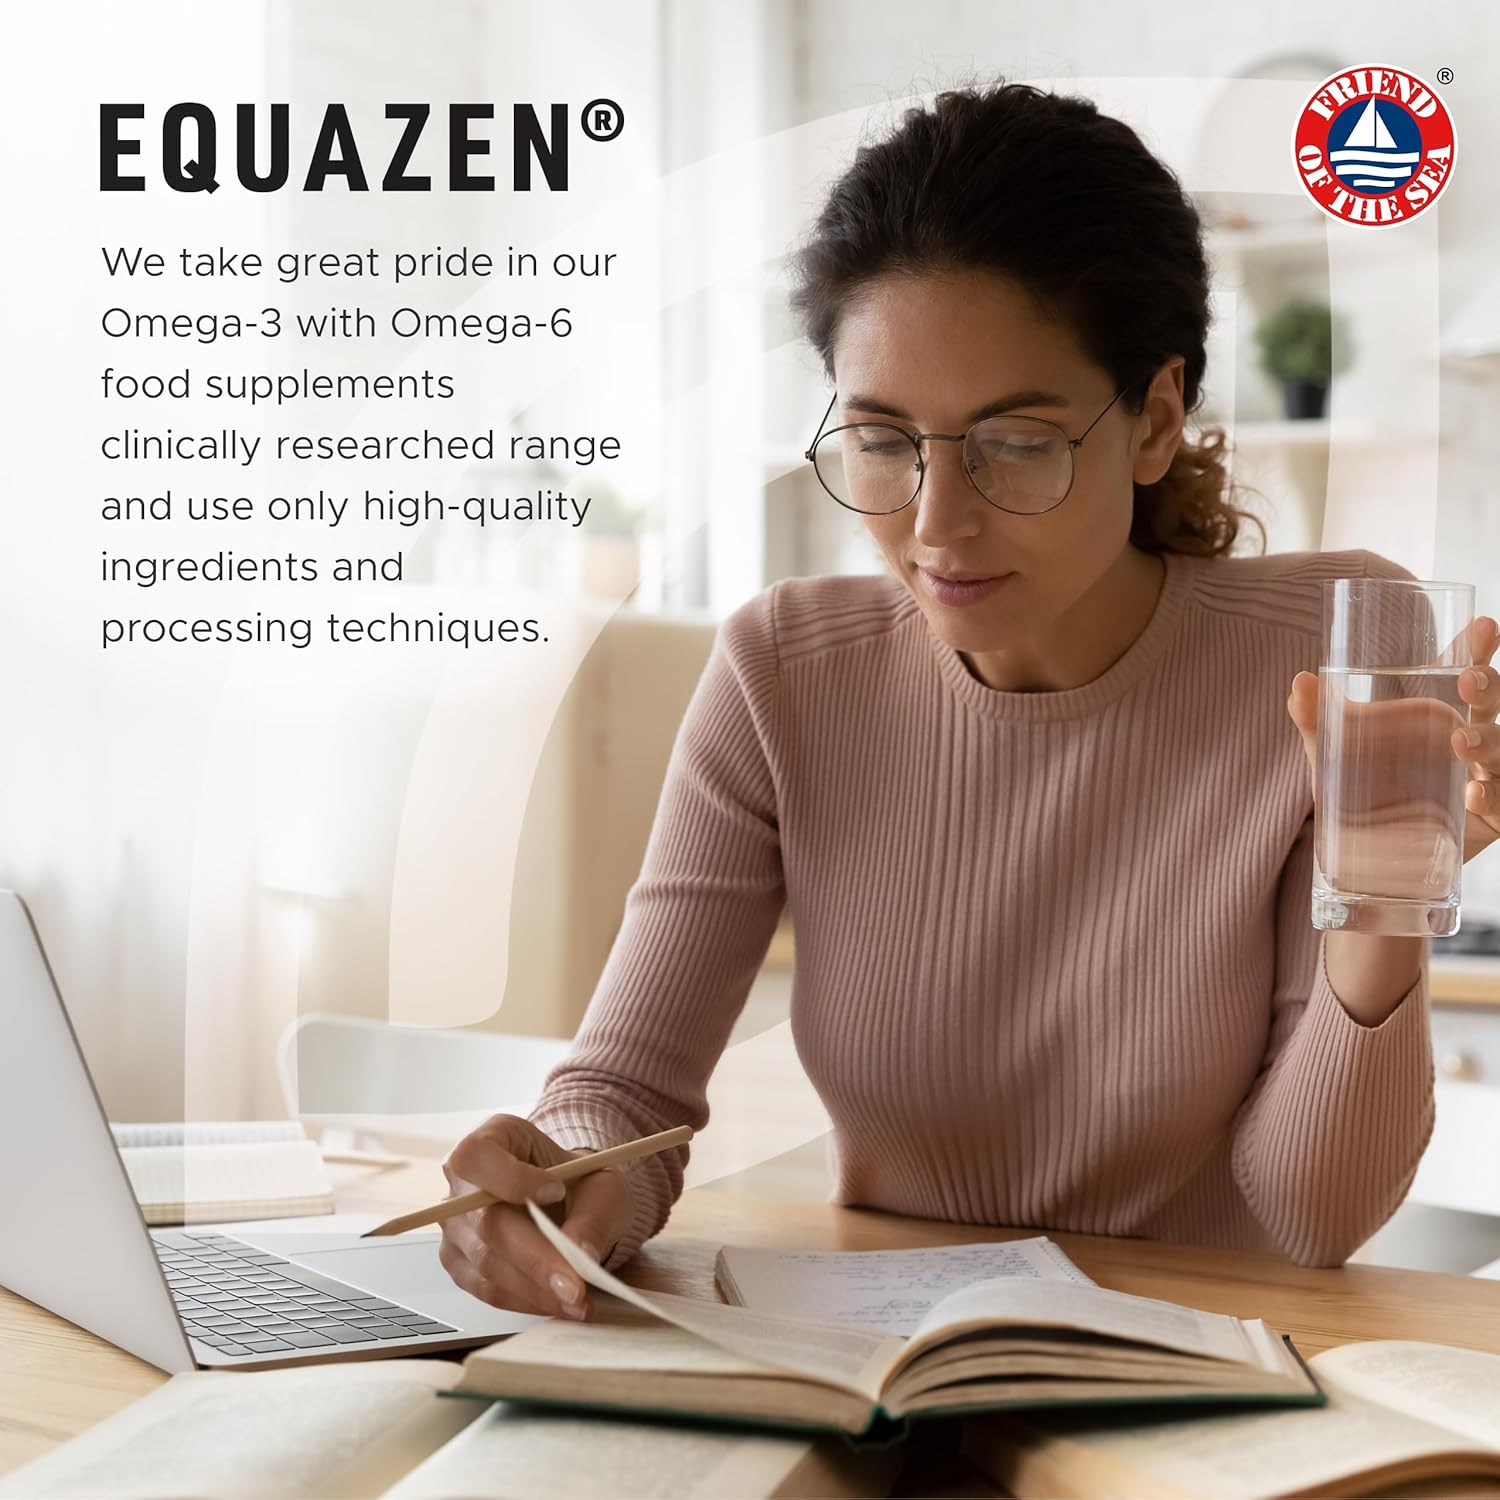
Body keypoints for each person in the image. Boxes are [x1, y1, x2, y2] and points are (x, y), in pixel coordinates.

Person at [436, 79, 1500, 1322]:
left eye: (1017, 442)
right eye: (885, 440)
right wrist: (563, 1183)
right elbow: (624, 1095)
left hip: (1215, 1368)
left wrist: (1380, 903)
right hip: (879, 1363)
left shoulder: (1334, 654)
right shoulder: (785, 670)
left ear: (1155, 420)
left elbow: (1312, 1217)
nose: (937, 525)